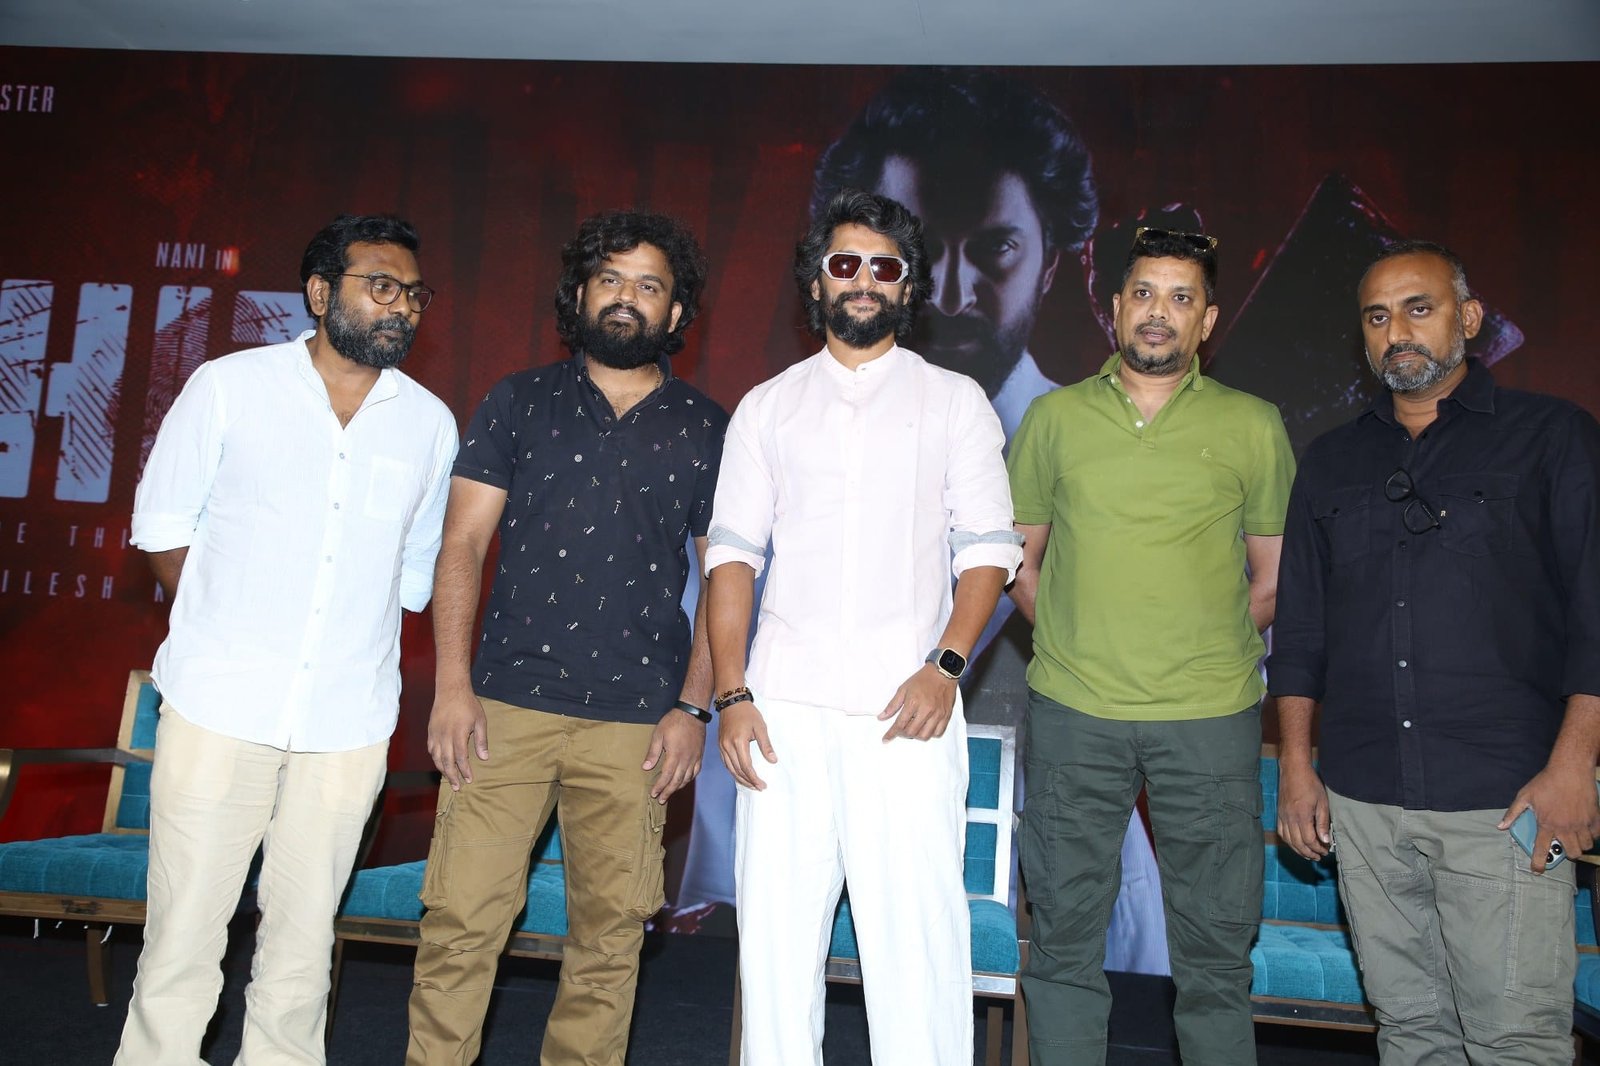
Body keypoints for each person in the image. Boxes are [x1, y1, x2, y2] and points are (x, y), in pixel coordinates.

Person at [118, 213, 457, 1064]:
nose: (402, 307)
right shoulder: (230, 387)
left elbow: (411, 576)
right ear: (318, 292)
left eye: (414, 294)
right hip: (220, 705)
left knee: (304, 951)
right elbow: (163, 530)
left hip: (347, 721)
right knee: (183, 940)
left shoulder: (429, 425)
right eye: (381, 286)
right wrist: (227, 625)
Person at [705, 188, 1021, 1065]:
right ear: (816, 281)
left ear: (908, 287)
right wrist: (732, 694)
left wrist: (945, 667)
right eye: (846, 263)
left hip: (906, 711)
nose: (865, 279)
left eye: (886, 266)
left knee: (917, 946)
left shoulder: (954, 401)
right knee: (775, 950)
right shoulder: (767, 406)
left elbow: (989, 550)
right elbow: (732, 558)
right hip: (781, 713)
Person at [405, 210, 727, 1066]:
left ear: (675, 312)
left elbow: (723, 581)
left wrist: (694, 709)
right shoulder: (517, 401)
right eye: (610, 279)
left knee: (609, 943)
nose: (626, 297)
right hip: (501, 709)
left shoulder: (707, 428)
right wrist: (451, 688)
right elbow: (462, 544)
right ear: (580, 293)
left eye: (649, 285)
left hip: (637, 724)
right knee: (459, 925)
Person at [1270, 240, 1600, 1065]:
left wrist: (1574, 768)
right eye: (1377, 317)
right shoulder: (1331, 461)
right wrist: (1298, 769)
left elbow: (1596, 613)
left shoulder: (1553, 437)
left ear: (1470, 318)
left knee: (1514, 1042)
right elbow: (1301, 631)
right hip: (1363, 800)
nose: (1398, 332)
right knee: (1411, 1034)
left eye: (1419, 309)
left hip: (1505, 799)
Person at [1007, 227, 1296, 1064]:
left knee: (1215, 954)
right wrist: (1075, 642)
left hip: (1210, 719)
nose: (1158, 312)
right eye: (1143, 293)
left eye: (1180, 297)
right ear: (1114, 307)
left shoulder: (1253, 425)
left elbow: (1273, 579)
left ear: (1208, 319)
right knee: (1062, 944)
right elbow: (1018, 563)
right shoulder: (1053, 419)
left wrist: (1205, 653)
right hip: (1075, 714)